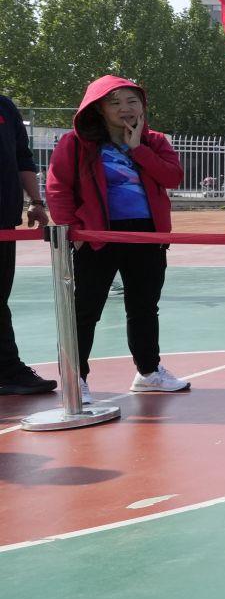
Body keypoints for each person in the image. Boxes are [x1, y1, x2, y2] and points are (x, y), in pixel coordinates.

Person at [45, 75, 189, 396]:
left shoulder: (155, 141)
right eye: (115, 102)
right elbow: (57, 187)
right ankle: (75, 379)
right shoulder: (75, 143)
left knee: (144, 307)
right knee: (86, 310)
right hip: (96, 235)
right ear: (98, 108)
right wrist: (72, 228)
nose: (125, 108)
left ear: (142, 105)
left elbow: (172, 177)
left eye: (132, 101)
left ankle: (149, 372)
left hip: (147, 236)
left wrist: (138, 149)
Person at [0, 90, 55, 395]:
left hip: (3, 221)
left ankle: (8, 371)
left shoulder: (4, 106)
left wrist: (35, 201)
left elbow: (23, 156)